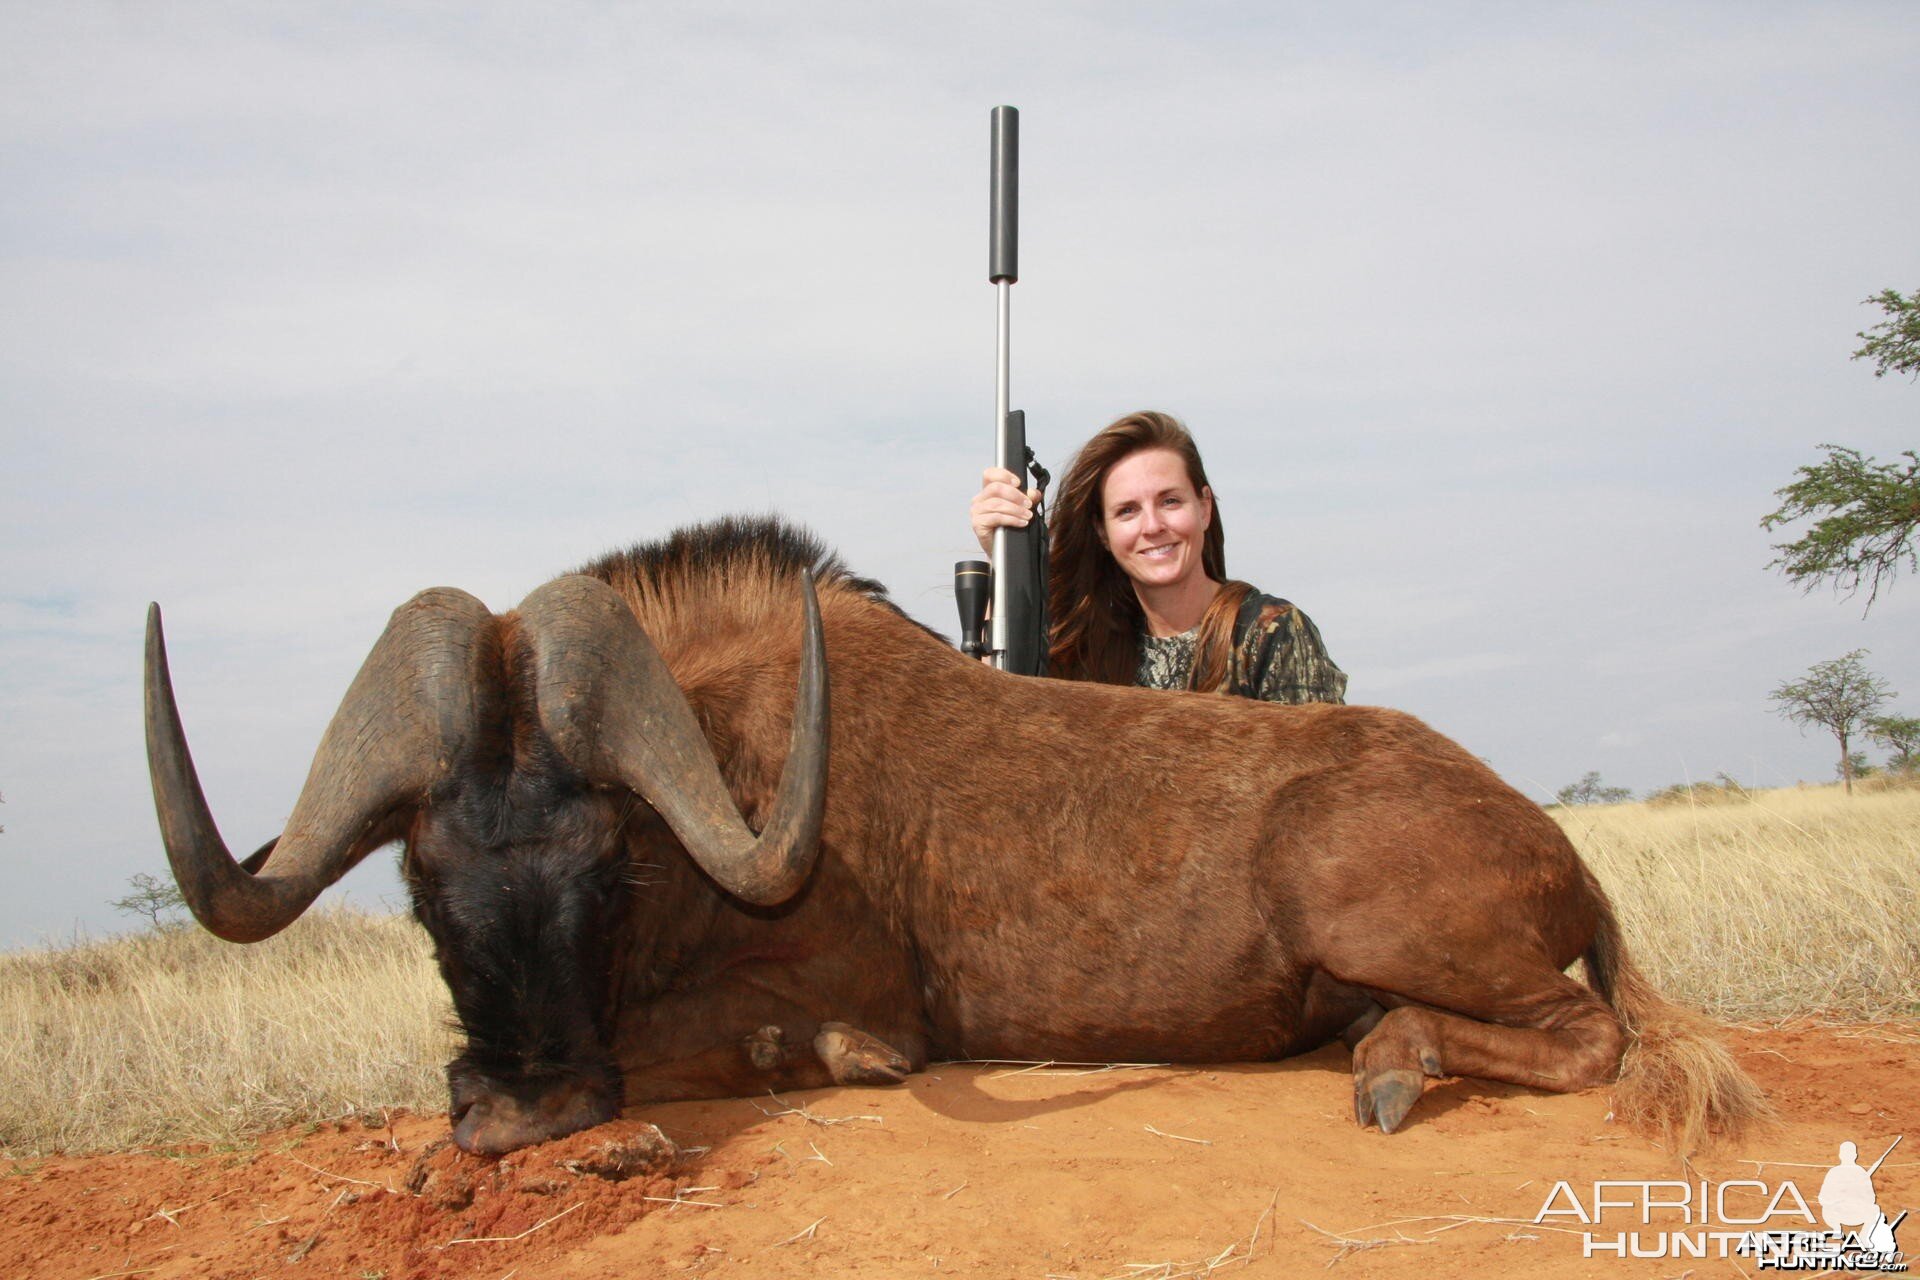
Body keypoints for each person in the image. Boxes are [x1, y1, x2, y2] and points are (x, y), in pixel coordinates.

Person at [969, 410, 1346, 702]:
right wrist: (1002, 557)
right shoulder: (1086, 652)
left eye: (1169, 501)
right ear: (1102, 532)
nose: (1152, 526)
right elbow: (1001, 716)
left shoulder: (1271, 632)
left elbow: (1321, 787)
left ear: (1204, 508)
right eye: (1127, 511)